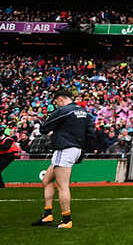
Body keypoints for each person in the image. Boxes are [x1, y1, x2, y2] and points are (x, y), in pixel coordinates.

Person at [31, 90, 94, 229]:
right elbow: (90, 133)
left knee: (62, 185)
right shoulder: (84, 112)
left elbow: (44, 128)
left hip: (64, 148)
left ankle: (67, 219)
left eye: (56, 102)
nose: (56, 105)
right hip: (75, 148)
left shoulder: (64, 110)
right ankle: (48, 214)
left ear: (60, 99)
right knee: (46, 180)